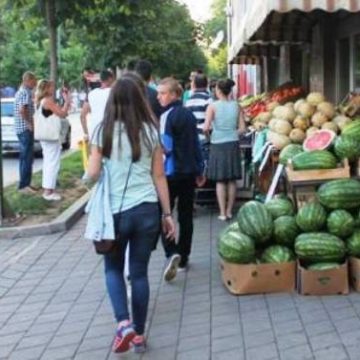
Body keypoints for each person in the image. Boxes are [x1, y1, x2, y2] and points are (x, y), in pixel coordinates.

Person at [86, 73, 175, 354]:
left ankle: (122, 324)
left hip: (114, 213)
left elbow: (93, 173)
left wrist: (86, 180)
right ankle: (138, 333)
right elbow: (160, 176)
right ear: (139, 100)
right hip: (147, 210)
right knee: (139, 274)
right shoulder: (151, 131)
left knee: (112, 267)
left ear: (113, 101)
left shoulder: (103, 131)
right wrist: (168, 214)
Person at [157, 77, 205, 281]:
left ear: (175, 94)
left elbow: (165, 147)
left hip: (170, 173)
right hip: (189, 172)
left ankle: (171, 250)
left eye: (163, 93)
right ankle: (184, 256)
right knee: (186, 215)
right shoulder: (189, 115)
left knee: (163, 214)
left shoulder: (166, 116)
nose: (159, 97)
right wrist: (200, 168)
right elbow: (196, 143)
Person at [203, 79, 246, 221]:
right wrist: (232, 133)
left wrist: (209, 137)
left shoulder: (212, 106)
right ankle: (229, 211)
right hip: (233, 143)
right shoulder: (237, 106)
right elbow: (243, 129)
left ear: (219, 91)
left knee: (220, 180)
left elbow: (206, 128)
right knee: (232, 180)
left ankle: (222, 212)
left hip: (217, 144)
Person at [34, 79, 71, 201]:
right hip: (51, 137)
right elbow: (62, 114)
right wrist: (67, 101)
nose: (53, 89)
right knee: (52, 163)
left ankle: (48, 189)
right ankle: (48, 192)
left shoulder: (39, 101)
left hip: (44, 137)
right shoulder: (47, 101)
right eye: (51, 87)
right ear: (46, 89)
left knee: (48, 162)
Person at [14, 71, 38, 193]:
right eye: (34, 81)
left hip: (21, 129)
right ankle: (24, 186)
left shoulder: (22, 91)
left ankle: (25, 184)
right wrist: (29, 124)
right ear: (28, 80)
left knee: (26, 157)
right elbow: (22, 110)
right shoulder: (24, 93)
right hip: (25, 129)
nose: (35, 83)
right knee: (26, 157)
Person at [80, 69, 114, 141]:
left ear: (100, 79)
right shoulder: (113, 92)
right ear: (110, 79)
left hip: (95, 133)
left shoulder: (91, 94)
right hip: (110, 132)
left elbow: (82, 116)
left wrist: (86, 134)